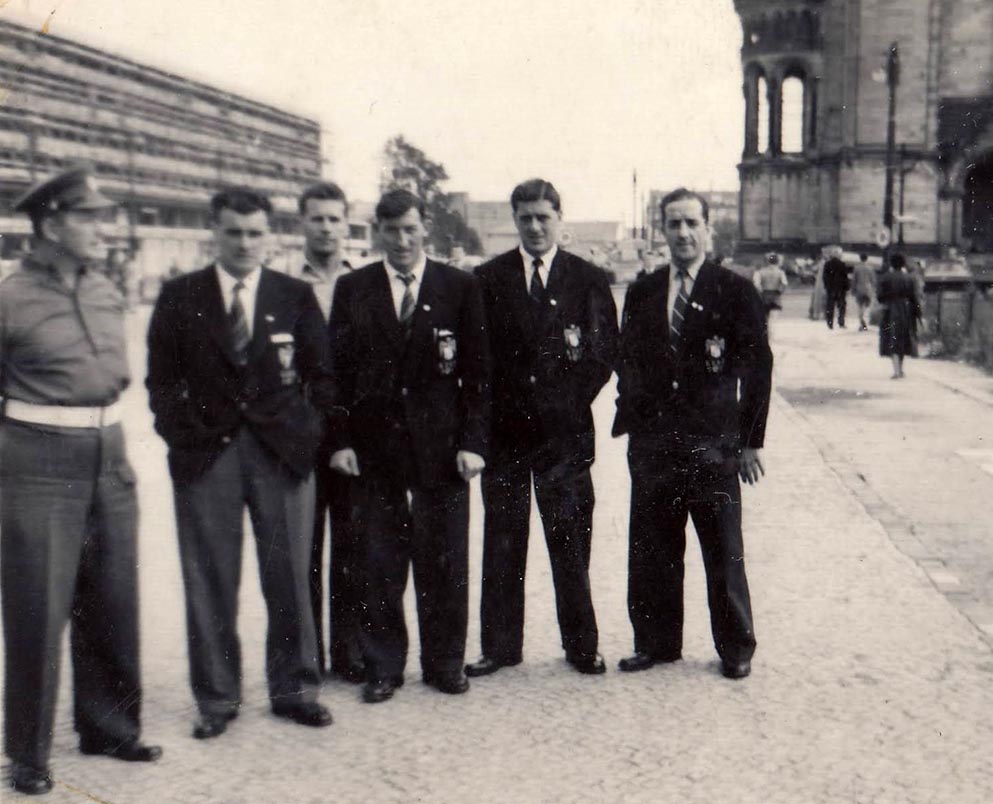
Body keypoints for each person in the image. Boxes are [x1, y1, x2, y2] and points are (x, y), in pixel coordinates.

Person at [146, 187, 334, 740]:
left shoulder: (293, 294)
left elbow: (322, 376)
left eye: (255, 233)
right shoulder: (180, 295)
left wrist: (307, 430)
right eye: (234, 232)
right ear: (214, 231)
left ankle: (297, 689)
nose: (246, 243)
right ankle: (217, 698)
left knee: (290, 578)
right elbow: (162, 381)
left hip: (281, 454)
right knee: (210, 579)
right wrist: (184, 437)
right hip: (209, 455)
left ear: (270, 236)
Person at [1, 168, 161, 796]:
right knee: (38, 607)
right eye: (89, 218)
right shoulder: (8, 297)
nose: (103, 228)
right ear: (49, 226)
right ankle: (29, 753)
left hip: (110, 455)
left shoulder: (105, 288)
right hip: (38, 463)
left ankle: (111, 728)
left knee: (114, 597)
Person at [327, 189, 490, 704]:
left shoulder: (458, 287)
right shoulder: (353, 288)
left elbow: (480, 375)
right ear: (378, 232)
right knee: (379, 562)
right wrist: (341, 441)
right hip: (376, 451)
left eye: (410, 230)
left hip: (442, 451)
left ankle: (445, 663)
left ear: (426, 232)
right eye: (391, 230)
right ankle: (384, 667)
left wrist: (473, 443)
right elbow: (334, 376)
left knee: (445, 560)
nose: (401, 241)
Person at [613, 188, 772, 680]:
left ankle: (736, 646)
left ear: (708, 229)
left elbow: (758, 368)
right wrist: (635, 421)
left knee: (723, 551)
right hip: (656, 446)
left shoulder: (735, 289)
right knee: (653, 549)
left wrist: (749, 442)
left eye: (691, 223)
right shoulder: (642, 292)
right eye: (673, 224)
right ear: (662, 231)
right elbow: (629, 363)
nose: (682, 233)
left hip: (713, 445)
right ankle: (657, 643)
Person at [466, 178, 618, 679]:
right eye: (525, 217)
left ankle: (581, 645)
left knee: (571, 543)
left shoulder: (587, 279)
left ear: (559, 218)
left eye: (543, 217)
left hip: (564, 435)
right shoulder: (488, 278)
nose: (534, 226)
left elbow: (601, 354)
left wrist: (562, 405)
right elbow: (479, 360)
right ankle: (500, 646)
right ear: (514, 221)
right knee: (503, 542)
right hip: (507, 436)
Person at [295, 182, 364, 683]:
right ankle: (305, 654)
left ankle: (350, 650)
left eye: (334, 219)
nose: (326, 228)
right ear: (302, 223)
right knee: (302, 547)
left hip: (351, 436)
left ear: (346, 224)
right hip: (298, 435)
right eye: (316, 218)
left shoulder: (363, 283)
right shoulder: (280, 285)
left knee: (353, 543)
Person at [877, 253, 921, 379]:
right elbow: (914, 298)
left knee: (892, 338)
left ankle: (896, 371)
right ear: (903, 264)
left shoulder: (885, 278)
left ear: (891, 263)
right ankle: (900, 370)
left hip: (890, 310)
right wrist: (918, 313)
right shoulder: (908, 278)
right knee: (902, 338)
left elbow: (880, 297)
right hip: (905, 310)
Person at [752, 252, 788, 322]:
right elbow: (784, 283)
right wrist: (780, 291)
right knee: (773, 318)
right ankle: (772, 330)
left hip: (764, 295)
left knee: (764, 317)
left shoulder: (760, 272)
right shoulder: (780, 272)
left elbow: (756, 284)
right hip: (775, 295)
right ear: (777, 261)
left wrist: (761, 291)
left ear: (767, 262)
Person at [822, 246, 849, 329]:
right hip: (840, 289)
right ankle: (841, 322)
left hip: (831, 289)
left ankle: (830, 323)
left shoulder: (827, 264)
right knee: (841, 307)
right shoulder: (842, 264)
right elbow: (845, 278)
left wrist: (827, 287)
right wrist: (846, 288)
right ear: (838, 255)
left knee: (830, 307)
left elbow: (825, 277)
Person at [852, 252, 876, 331]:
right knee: (867, 306)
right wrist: (874, 289)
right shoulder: (870, 268)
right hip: (868, 289)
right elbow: (873, 280)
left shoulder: (856, 268)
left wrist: (853, 290)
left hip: (859, 289)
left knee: (860, 306)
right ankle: (864, 319)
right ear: (867, 258)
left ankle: (862, 322)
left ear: (860, 258)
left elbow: (854, 280)